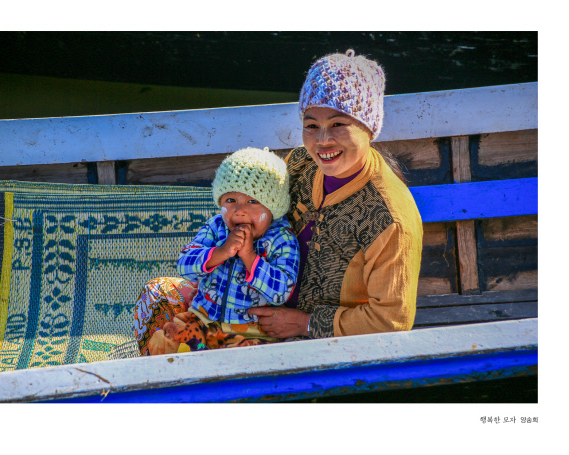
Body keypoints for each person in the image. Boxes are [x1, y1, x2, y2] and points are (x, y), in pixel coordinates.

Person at [247, 49, 423, 340]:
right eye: (311, 126)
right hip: (256, 307)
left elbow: (392, 319)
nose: (322, 141)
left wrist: (305, 324)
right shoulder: (299, 164)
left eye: (338, 124)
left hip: (328, 344)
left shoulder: (389, 217)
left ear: (369, 128)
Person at [133, 147, 300, 355]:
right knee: (164, 344)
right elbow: (184, 265)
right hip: (200, 321)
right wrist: (221, 252)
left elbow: (281, 292)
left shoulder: (282, 239)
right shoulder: (216, 226)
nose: (240, 210)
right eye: (230, 200)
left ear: (273, 208)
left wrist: (249, 257)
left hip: (252, 333)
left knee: (256, 362)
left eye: (252, 201)